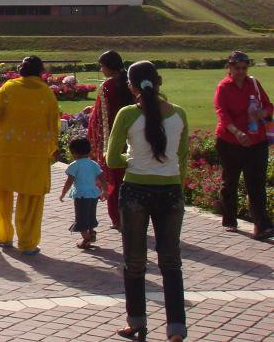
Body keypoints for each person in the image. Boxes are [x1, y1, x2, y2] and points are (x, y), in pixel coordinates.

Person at [106, 61, 189, 342]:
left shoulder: (128, 114)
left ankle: (137, 322)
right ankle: (176, 328)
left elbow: (111, 158)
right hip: (170, 191)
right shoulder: (178, 114)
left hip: (137, 190)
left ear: (131, 86)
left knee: (135, 261)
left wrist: (132, 160)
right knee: (171, 262)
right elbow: (183, 157)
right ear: (160, 81)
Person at [0, 55, 59, 255]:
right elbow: (53, 125)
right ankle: (28, 243)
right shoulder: (47, 94)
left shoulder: (8, 89)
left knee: (4, 194)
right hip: (35, 153)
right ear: (40, 71)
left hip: (6, 151)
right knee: (30, 198)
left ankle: (4, 236)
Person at [213, 50, 273, 239]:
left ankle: (261, 225)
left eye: (244, 68)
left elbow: (269, 106)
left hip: (256, 140)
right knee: (230, 180)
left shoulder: (253, 84)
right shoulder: (224, 87)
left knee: (256, 183)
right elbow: (222, 113)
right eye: (236, 68)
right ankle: (229, 218)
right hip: (230, 140)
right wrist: (237, 133)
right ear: (229, 67)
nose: (240, 72)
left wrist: (262, 113)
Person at [87, 50, 131, 229]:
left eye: (102, 66)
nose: (101, 69)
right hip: (132, 137)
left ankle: (117, 218)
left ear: (109, 67)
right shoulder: (129, 82)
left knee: (114, 179)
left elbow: (100, 117)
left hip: (113, 139)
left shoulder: (108, 86)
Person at [60, 137, 108, 250]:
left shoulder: (74, 165)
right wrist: (105, 190)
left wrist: (62, 193)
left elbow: (69, 182)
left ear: (73, 152)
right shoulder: (93, 164)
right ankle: (91, 232)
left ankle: (86, 239)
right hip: (93, 194)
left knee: (81, 218)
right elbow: (102, 178)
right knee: (91, 215)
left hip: (81, 195)